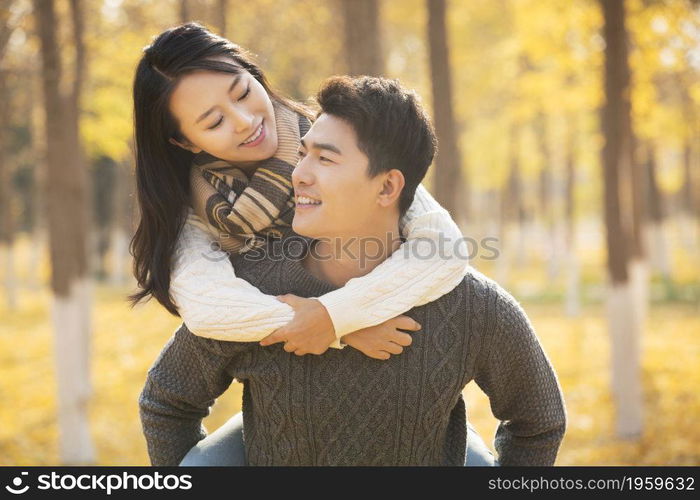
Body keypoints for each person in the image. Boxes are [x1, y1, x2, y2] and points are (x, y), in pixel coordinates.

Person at [139, 75, 567, 466]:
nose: (298, 174)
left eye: (324, 159)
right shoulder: (253, 290)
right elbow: (166, 403)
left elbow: (538, 421)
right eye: (303, 154)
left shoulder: (472, 306)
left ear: (387, 187)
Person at [130, 22, 470, 360]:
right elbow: (207, 304)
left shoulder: (337, 141)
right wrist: (339, 327)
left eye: (244, 93)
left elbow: (444, 249)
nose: (245, 121)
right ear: (185, 141)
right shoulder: (196, 206)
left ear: (255, 75)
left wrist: (333, 316)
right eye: (215, 122)